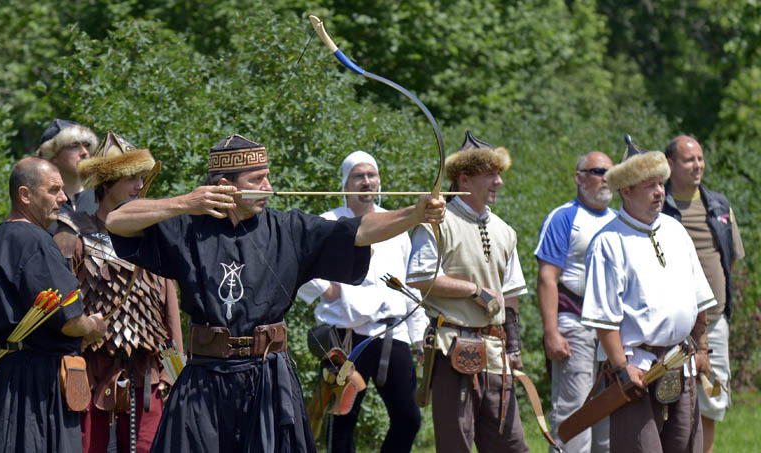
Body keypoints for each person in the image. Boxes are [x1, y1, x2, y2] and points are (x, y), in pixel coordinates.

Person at [105, 134, 445, 452]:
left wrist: (414, 214)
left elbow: (359, 231)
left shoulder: (288, 229)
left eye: (267, 177)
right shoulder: (186, 227)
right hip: (204, 380)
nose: (268, 186)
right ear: (224, 186)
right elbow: (117, 219)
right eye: (257, 180)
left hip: (268, 377)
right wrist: (185, 202)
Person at [581, 136, 716, 452]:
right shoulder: (608, 242)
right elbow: (604, 319)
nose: (659, 192)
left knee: (686, 447)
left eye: (660, 183)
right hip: (638, 370)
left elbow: (699, 297)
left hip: (682, 363)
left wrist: (702, 349)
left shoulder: (675, 230)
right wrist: (621, 367)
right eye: (649, 185)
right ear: (626, 191)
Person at [53, 131, 184, 453]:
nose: (139, 186)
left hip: (149, 374)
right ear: (107, 183)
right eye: (130, 179)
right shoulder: (73, 234)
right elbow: (60, 308)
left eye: (141, 178)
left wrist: (175, 374)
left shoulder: (153, 236)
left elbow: (169, 312)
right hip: (91, 372)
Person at [0, 157, 107, 452]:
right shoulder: (34, 240)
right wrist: (93, 326)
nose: (63, 198)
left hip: (8, 383)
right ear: (25, 195)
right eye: (53, 190)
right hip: (40, 389)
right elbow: (70, 321)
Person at [406, 131, 529, 453]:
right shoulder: (436, 222)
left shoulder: (505, 231)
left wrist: (514, 346)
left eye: (499, 174)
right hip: (453, 349)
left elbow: (510, 293)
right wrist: (473, 290)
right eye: (490, 175)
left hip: (496, 350)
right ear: (464, 179)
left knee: (511, 444)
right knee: (455, 444)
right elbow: (419, 276)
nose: (499, 182)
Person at [297, 150, 427, 452]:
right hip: (344, 336)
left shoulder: (395, 225)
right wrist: (328, 290)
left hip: (392, 333)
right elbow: (300, 265)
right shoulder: (328, 222)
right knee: (341, 422)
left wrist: (419, 335)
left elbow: (410, 284)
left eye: (371, 175)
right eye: (358, 176)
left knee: (408, 418)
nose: (366, 181)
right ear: (345, 183)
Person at [661, 135, 744, 453]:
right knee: (668, 394)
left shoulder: (719, 205)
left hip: (715, 320)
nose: (697, 165)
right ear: (670, 164)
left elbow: (730, 259)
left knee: (712, 396)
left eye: (700, 159)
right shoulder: (658, 204)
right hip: (671, 322)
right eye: (689, 160)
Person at [534, 151, 615, 453]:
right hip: (575, 326)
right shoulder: (563, 217)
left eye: (610, 172)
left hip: (612, 331)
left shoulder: (620, 220)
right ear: (579, 178)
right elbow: (547, 278)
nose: (606, 178)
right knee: (575, 416)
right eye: (598, 171)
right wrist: (551, 332)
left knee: (609, 418)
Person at [37, 119, 99, 232]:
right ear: (52, 155)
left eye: (86, 145)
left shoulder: (103, 197)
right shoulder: (38, 205)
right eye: (74, 146)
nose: (84, 152)